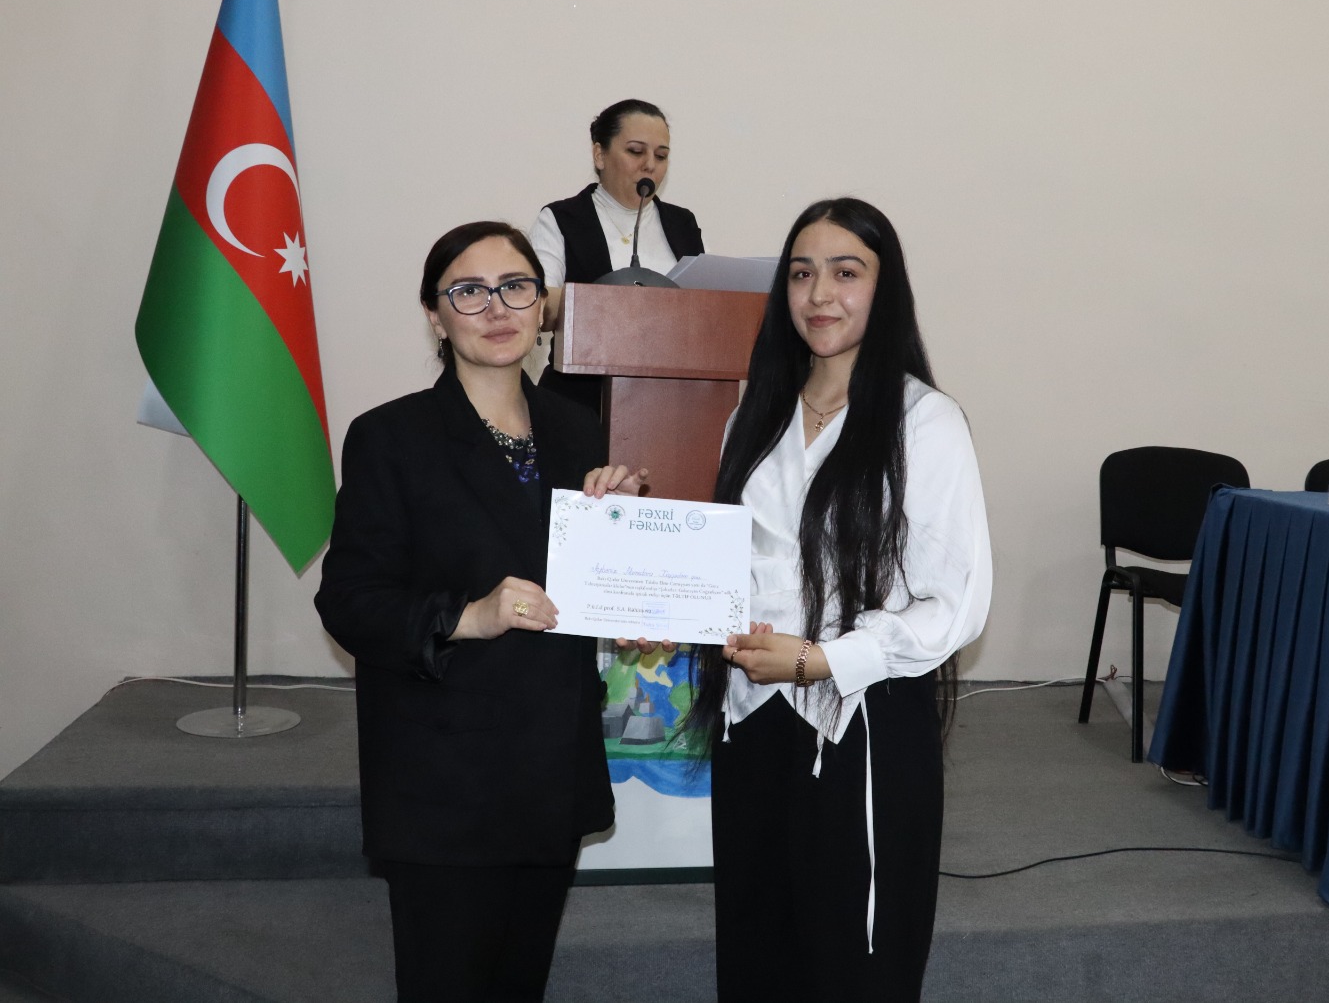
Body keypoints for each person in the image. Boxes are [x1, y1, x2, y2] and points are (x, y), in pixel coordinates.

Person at [589, 198, 992, 1001]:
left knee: (851, 960)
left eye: (847, 272)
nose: (820, 294)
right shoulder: (757, 410)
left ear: (885, 289)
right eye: (802, 274)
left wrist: (820, 660)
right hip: (753, 717)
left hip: (860, 722)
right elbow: (736, 565)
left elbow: (957, 602)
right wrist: (630, 539)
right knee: (757, 943)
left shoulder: (925, 422)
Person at [315, 221, 614, 1002]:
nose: (497, 308)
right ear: (435, 314)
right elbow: (349, 601)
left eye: (516, 287)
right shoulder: (390, 436)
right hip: (444, 777)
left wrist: (624, 553)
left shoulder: (577, 429)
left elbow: (578, 589)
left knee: (520, 985)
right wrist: (468, 616)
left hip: (548, 765)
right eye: (468, 292)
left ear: (541, 305)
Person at [530, 99, 706, 413]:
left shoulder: (683, 224)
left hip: (671, 404)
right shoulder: (563, 219)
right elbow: (538, 305)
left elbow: (703, 310)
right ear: (600, 155)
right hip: (579, 403)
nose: (650, 165)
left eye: (661, 155)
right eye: (636, 152)